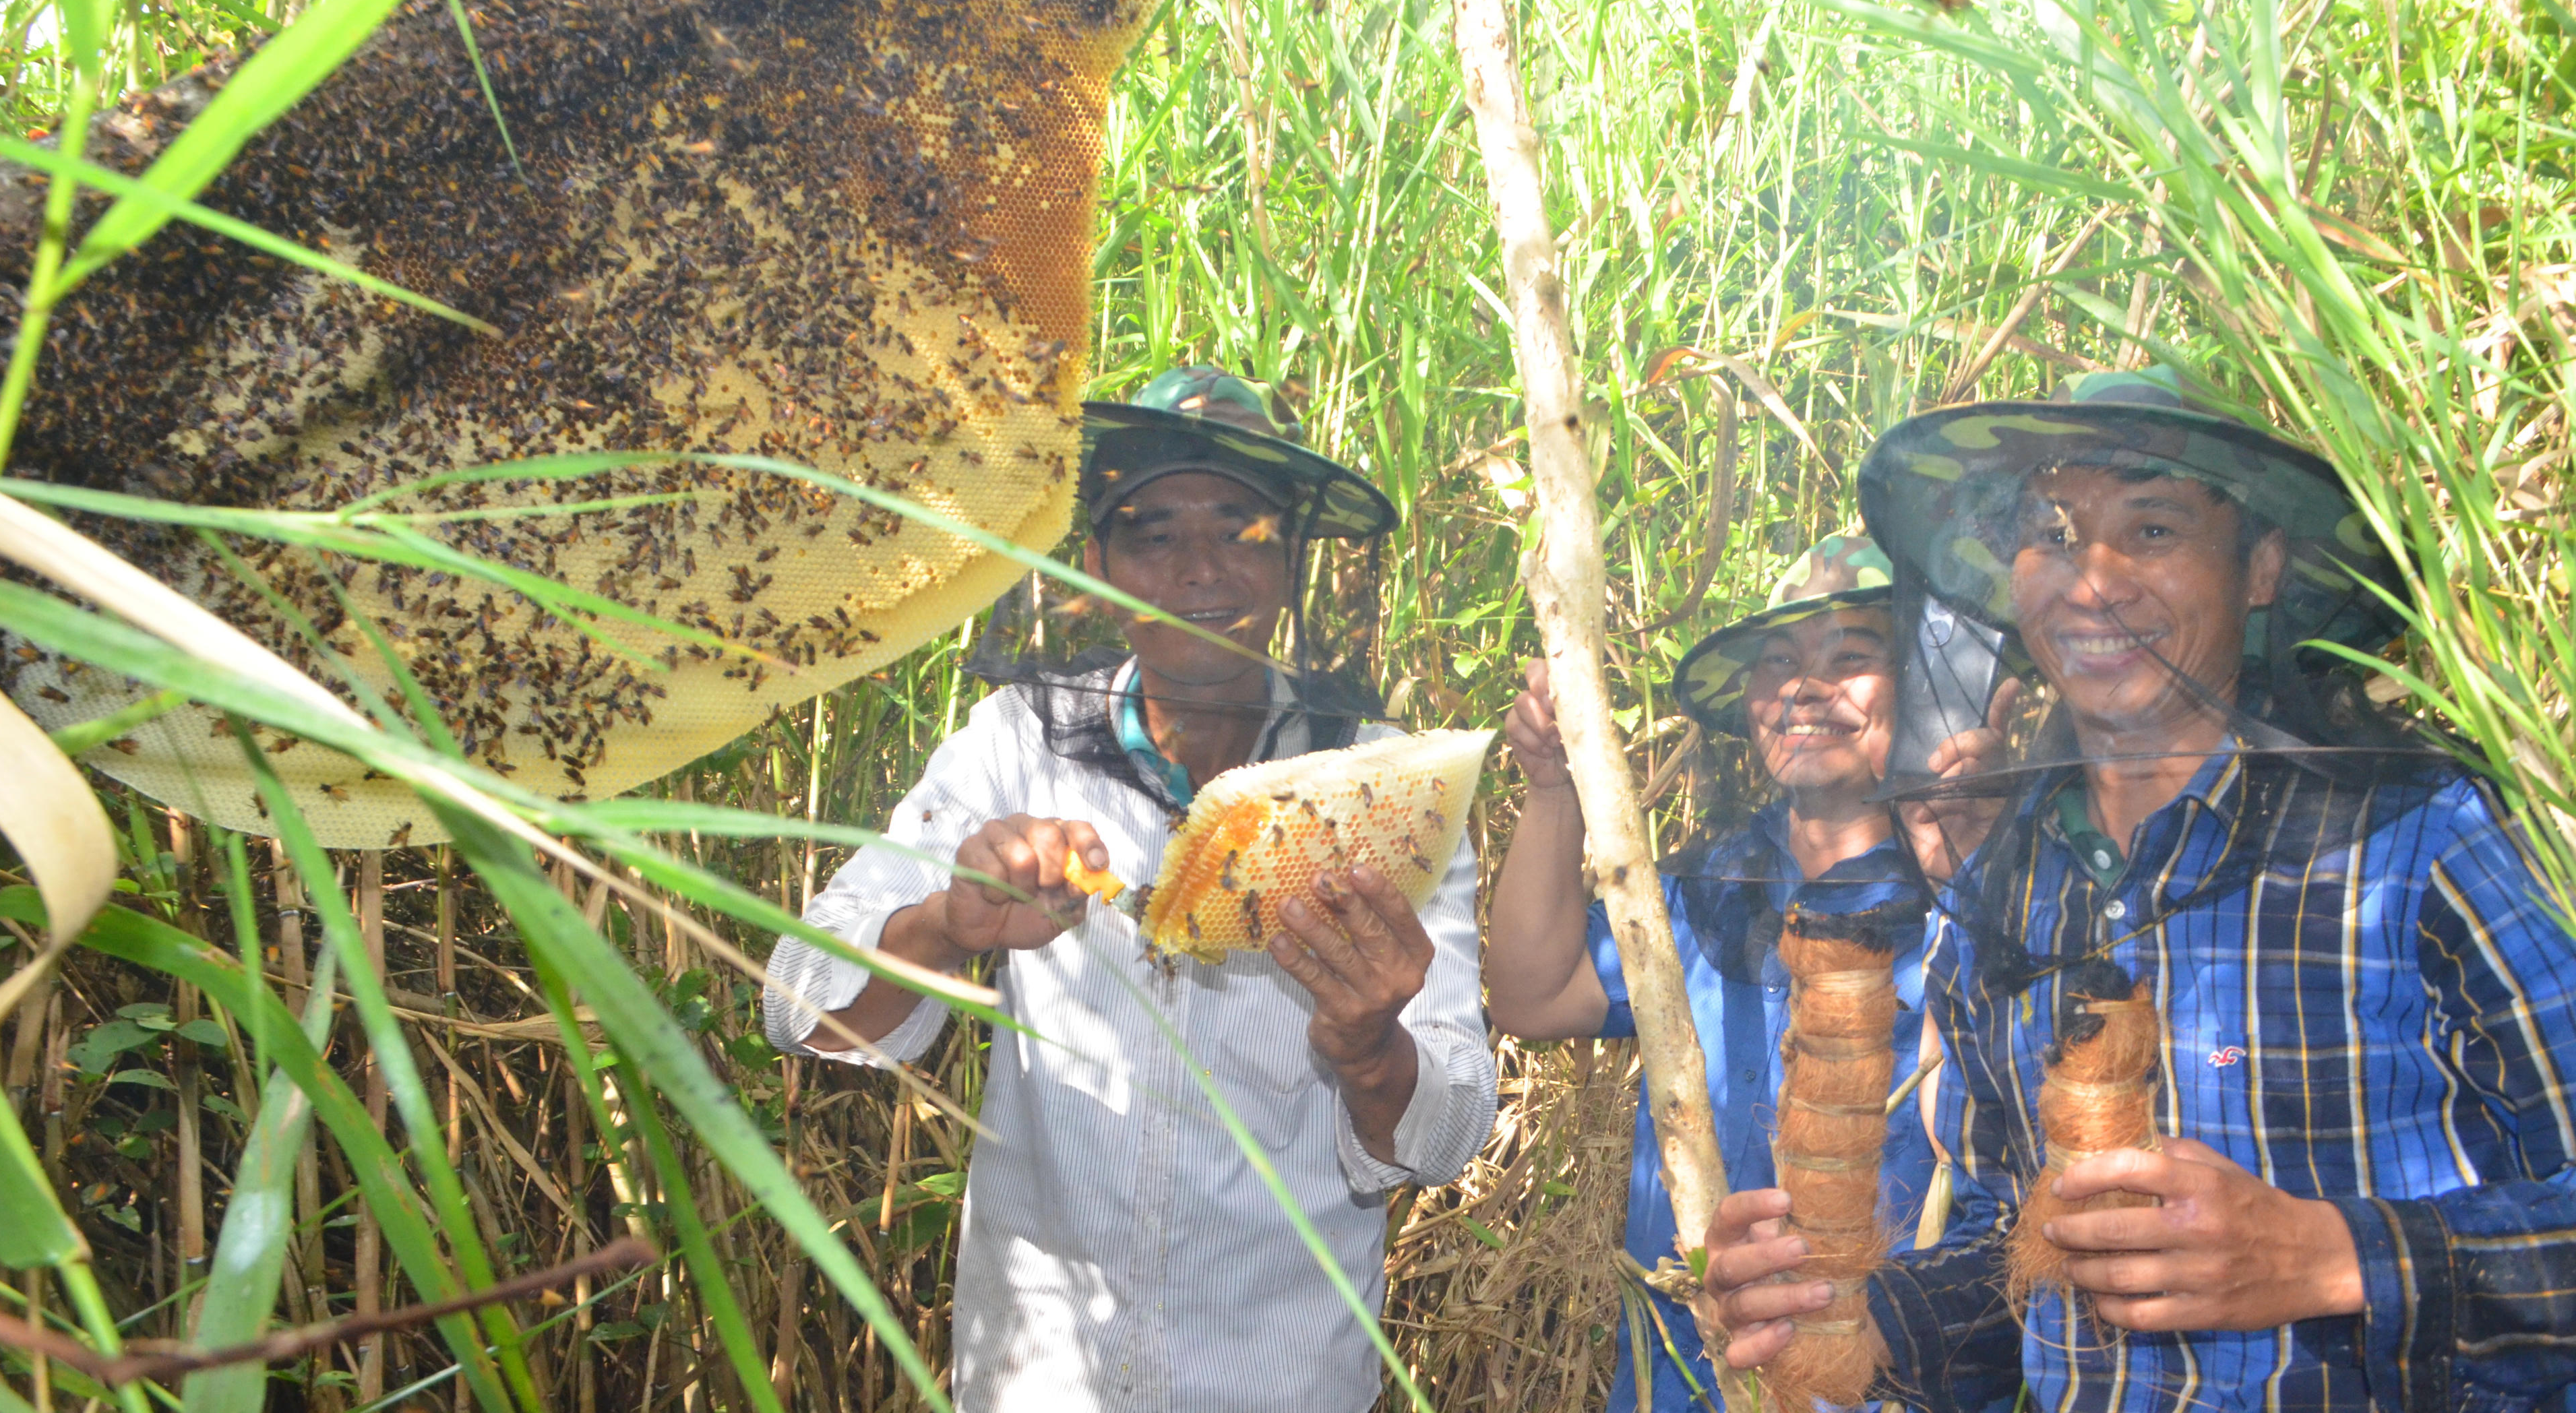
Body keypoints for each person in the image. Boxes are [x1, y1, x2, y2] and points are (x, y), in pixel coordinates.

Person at [1698, 367, 2576, 1411]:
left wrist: (2331, 1257)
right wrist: (1848, 1315)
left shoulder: (2424, 839)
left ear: (2261, 567)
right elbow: (2018, 1251)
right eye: (2053, 533)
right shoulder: (2003, 897)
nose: (2094, 581)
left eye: (2152, 529)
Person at [762, 367, 1498, 1413]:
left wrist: (1373, 1046)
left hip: (1281, 1382)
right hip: (1040, 1380)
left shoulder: (1382, 790)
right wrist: (942, 927)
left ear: (1289, 559)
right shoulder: (1016, 745)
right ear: (1096, 567)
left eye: (1243, 530)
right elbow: (799, 1001)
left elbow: (1450, 1127)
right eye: (1155, 535)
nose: (1201, 569)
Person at [1488, 535, 1971, 1410]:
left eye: (1851, 658)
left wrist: (1972, 887)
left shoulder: (1972, 904)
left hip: (1875, 1382)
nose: (1805, 687)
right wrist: (1554, 788)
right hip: (1679, 1380)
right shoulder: (1700, 892)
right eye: (1779, 661)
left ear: (1925, 687)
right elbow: (1533, 994)